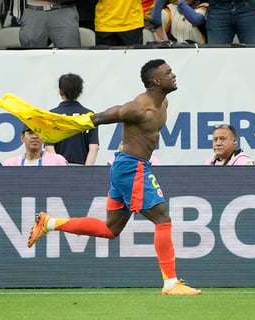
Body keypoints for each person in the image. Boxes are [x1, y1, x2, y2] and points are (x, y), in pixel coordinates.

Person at [26, 59, 200, 295]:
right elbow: (104, 116)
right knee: (162, 218)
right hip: (132, 168)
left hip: (127, 166)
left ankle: (48, 223)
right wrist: (66, 124)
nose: (173, 75)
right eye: (168, 73)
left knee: (110, 230)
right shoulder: (140, 108)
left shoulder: (163, 102)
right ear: (157, 81)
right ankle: (171, 284)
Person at [45, 73, 99, 165]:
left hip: (58, 170)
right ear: (80, 91)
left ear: (60, 91)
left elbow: (49, 147)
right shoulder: (89, 115)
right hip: (82, 169)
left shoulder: (52, 115)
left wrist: (59, 167)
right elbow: (94, 148)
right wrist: (86, 171)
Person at [4, 125, 68, 166]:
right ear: (22, 137)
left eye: (39, 133)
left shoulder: (57, 161)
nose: (34, 136)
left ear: (44, 138)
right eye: (30, 133)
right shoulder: (10, 164)